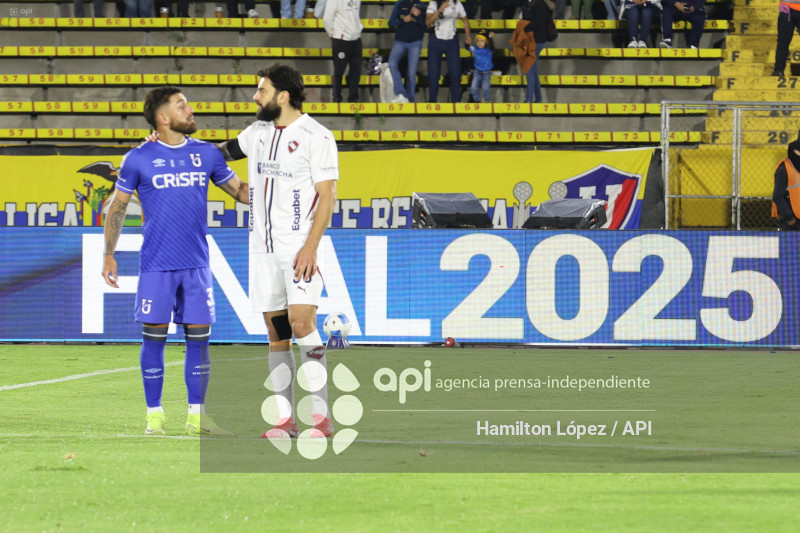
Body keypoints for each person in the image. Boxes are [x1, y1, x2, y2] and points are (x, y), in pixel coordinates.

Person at [102, 87, 249, 436]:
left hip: (196, 265)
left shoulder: (207, 154)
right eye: (181, 105)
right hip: (157, 266)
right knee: (153, 339)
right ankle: (155, 416)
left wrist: (282, 189)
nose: (191, 109)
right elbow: (118, 207)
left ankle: (197, 418)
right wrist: (108, 253)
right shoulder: (138, 157)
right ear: (163, 118)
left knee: (199, 342)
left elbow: (242, 193)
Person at [215, 64, 339, 439]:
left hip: (299, 251)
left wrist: (310, 248)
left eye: (262, 90)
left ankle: (322, 417)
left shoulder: (317, 135)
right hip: (263, 252)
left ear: (283, 96)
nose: (255, 97)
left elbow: (328, 195)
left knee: (302, 324)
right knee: (277, 334)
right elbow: (213, 156)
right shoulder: (256, 133)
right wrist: (174, 147)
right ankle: (284, 419)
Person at [425, 0, 473, 103]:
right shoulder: (433, 3)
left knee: (455, 73)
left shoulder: (457, 3)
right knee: (433, 74)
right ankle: (432, 101)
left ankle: (455, 101)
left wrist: (468, 36)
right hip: (436, 40)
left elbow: (465, 20)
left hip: (452, 41)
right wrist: (439, 10)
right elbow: (427, 22)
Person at [323, 0, 364, 103]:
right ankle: (336, 99)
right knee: (339, 70)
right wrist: (331, 33)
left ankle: (353, 99)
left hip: (356, 37)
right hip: (341, 38)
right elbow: (327, 17)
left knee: (356, 70)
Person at [388, 0, 427, 103]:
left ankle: (410, 100)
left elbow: (425, 26)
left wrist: (418, 16)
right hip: (400, 41)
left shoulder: (422, 5)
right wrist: (403, 21)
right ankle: (400, 93)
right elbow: (391, 23)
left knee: (411, 72)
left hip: (415, 42)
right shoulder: (399, 3)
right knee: (392, 64)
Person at [520, 0, 551, 103]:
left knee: (529, 69)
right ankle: (538, 98)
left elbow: (539, 23)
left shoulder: (540, 4)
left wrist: (525, 27)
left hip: (537, 40)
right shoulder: (527, 3)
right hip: (530, 40)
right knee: (532, 70)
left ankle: (529, 100)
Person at [772, 137, 800, 230]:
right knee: (790, 244)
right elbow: (777, 196)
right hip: (792, 222)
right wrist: (789, 218)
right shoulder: (784, 169)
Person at [510, 17, 537, 101]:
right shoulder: (524, 26)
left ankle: (529, 99)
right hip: (527, 53)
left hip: (528, 54)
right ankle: (531, 99)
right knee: (531, 76)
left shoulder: (523, 27)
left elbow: (516, 41)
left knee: (530, 76)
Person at [772, 1, 800, 76]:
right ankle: (778, 70)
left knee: (783, 42)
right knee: (783, 42)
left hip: (787, 8)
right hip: (787, 8)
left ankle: (778, 70)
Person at [468, 30, 495, 103]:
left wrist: (490, 38)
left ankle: (486, 101)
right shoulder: (475, 48)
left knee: (485, 88)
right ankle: (477, 101)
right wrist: (466, 42)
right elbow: (468, 47)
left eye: (482, 41)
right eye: (478, 41)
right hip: (477, 71)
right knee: (473, 88)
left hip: (486, 72)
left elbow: (492, 47)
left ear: (486, 42)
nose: (479, 43)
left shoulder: (488, 49)